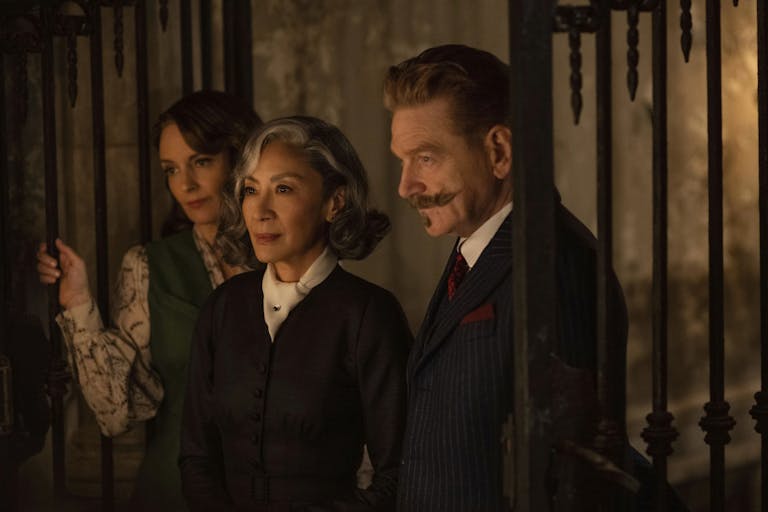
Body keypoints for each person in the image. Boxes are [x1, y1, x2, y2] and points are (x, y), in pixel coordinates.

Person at [384, 44, 631, 510]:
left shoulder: (555, 264)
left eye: (426, 158)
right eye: (402, 160)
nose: (405, 186)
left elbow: (578, 475)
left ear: (499, 151)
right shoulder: (475, 246)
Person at [36, 90, 262, 510]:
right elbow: (117, 413)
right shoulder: (147, 266)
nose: (185, 184)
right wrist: (78, 301)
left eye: (201, 162)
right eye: (171, 169)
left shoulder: (286, 254)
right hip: (174, 491)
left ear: (238, 159)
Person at [179, 116, 411, 511]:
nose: (260, 210)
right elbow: (196, 456)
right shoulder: (222, 307)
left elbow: (400, 473)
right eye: (251, 190)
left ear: (334, 202)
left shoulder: (368, 314)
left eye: (283, 188)